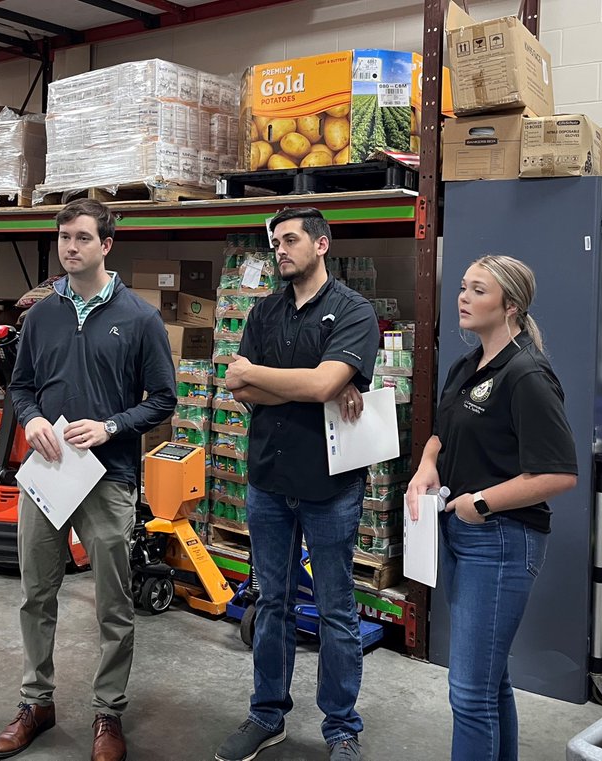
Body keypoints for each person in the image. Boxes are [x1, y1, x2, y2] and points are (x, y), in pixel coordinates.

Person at [0, 198, 176, 761]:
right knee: (35, 593)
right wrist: (33, 419)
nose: (69, 247)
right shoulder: (41, 315)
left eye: (81, 238)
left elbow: (164, 401)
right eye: (63, 237)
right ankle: (36, 702)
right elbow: (19, 386)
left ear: (106, 245)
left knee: (113, 603)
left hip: (109, 476)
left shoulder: (139, 318)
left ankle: (107, 712)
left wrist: (112, 426)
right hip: (46, 474)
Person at [215, 207, 379, 761]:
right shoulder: (263, 313)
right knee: (274, 602)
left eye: (290, 240)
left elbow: (321, 382)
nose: (279, 249)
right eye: (275, 241)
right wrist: (310, 387)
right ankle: (267, 715)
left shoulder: (354, 312)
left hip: (330, 486)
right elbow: (239, 386)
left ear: (322, 244)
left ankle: (341, 729)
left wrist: (310, 384)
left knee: (336, 610)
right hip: (267, 480)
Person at [406, 254, 578, 761]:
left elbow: (558, 474)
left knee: (469, 693)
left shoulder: (526, 375)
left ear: (511, 306)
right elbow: (444, 429)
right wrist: (427, 463)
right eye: (463, 287)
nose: (462, 297)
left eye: (477, 291)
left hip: (502, 541)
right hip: (465, 536)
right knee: (490, 679)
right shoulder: (469, 364)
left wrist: (480, 502)